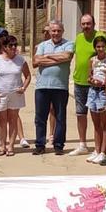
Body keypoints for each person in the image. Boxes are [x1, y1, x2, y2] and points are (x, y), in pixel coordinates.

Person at [33, 20, 75, 155]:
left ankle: (58, 145)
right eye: (53, 31)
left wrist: (46, 56)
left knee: (60, 117)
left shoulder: (68, 44)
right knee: (40, 117)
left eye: (58, 31)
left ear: (62, 31)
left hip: (60, 86)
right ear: (49, 32)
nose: (56, 33)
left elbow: (67, 56)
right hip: (42, 86)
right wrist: (57, 58)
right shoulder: (43, 45)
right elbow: (36, 61)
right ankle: (40, 144)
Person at [0, 35, 31, 157]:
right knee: (2, 120)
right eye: (10, 45)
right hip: (0, 93)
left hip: (15, 93)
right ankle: (2, 145)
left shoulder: (20, 60)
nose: (13, 48)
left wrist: (24, 87)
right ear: (4, 47)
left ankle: (11, 145)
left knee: (13, 119)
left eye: (15, 45)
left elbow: (28, 76)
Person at [71, 14, 105, 157]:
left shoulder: (100, 37)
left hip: (95, 85)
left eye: (88, 23)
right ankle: (82, 144)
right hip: (79, 81)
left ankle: (101, 149)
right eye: (83, 23)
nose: (86, 26)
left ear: (94, 23)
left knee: (98, 118)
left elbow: (104, 55)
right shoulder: (78, 38)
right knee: (80, 114)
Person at [85, 35, 106, 163]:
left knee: (104, 124)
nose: (100, 49)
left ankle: (103, 151)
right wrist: (92, 81)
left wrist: (103, 84)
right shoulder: (92, 60)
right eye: (98, 46)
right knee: (96, 124)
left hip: (103, 92)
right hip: (93, 92)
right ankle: (96, 149)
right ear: (95, 47)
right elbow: (88, 76)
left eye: (102, 46)